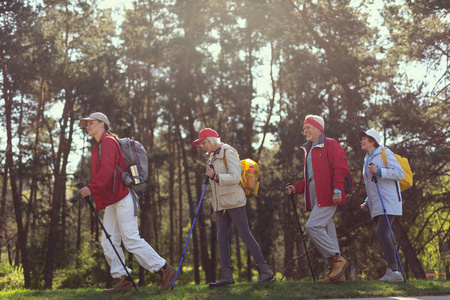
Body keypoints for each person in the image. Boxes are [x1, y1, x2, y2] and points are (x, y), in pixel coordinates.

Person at [77, 112, 176, 293]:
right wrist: (96, 189)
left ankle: (164, 269)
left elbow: (107, 170)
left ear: (102, 124)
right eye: (86, 124)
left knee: (130, 239)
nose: (88, 126)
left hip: (122, 196)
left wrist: (92, 188)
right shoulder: (99, 145)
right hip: (112, 199)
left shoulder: (108, 142)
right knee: (108, 241)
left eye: (91, 123)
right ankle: (124, 278)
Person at [192, 128, 275, 288]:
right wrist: (215, 208)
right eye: (201, 144)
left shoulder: (228, 152)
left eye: (203, 142)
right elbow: (214, 188)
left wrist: (216, 176)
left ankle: (266, 272)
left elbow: (236, 177)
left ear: (211, 140)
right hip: (222, 205)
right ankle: (226, 276)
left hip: (235, 202)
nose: (202, 146)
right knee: (221, 238)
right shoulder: (212, 157)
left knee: (245, 235)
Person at [285, 114, 349, 283]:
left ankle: (337, 259)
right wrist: (296, 188)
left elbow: (340, 168)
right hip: (313, 192)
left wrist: (337, 189)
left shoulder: (330, 144)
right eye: (304, 127)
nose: (305, 130)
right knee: (328, 230)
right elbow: (309, 178)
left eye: (309, 127)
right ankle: (337, 275)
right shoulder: (309, 150)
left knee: (313, 226)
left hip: (328, 193)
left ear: (319, 129)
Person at [359, 129, 404, 282]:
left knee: (382, 232)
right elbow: (372, 184)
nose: (362, 141)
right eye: (362, 139)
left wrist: (379, 171)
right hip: (377, 204)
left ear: (373, 141)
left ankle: (395, 272)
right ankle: (392, 271)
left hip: (389, 201)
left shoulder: (385, 153)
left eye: (365, 138)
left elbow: (399, 173)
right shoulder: (367, 158)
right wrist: (367, 201)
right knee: (382, 234)